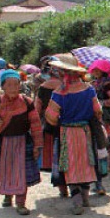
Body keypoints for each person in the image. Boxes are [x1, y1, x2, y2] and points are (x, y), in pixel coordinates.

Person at [45, 56, 102, 214]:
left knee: (70, 166)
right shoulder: (89, 89)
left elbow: (51, 116)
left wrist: (61, 121)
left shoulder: (59, 93)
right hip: (85, 132)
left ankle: (77, 202)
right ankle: (85, 197)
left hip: (67, 133)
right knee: (86, 163)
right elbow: (98, 111)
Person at [0, 70, 43, 215]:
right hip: (2, 143)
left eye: (16, 84)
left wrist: (37, 144)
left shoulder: (27, 102)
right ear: (3, 86)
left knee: (21, 172)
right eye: (9, 85)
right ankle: (8, 196)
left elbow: (35, 123)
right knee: (6, 171)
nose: (13, 88)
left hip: (22, 142)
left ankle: (21, 203)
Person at [34, 56, 67, 200]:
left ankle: (62, 189)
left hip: (49, 126)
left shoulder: (43, 87)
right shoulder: (66, 86)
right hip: (66, 128)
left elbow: (37, 109)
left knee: (55, 158)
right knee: (65, 157)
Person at [88, 59, 110, 195]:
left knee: (104, 143)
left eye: (98, 70)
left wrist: (101, 103)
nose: (95, 72)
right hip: (98, 118)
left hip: (104, 118)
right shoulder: (96, 84)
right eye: (94, 70)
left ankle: (109, 166)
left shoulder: (108, 85)